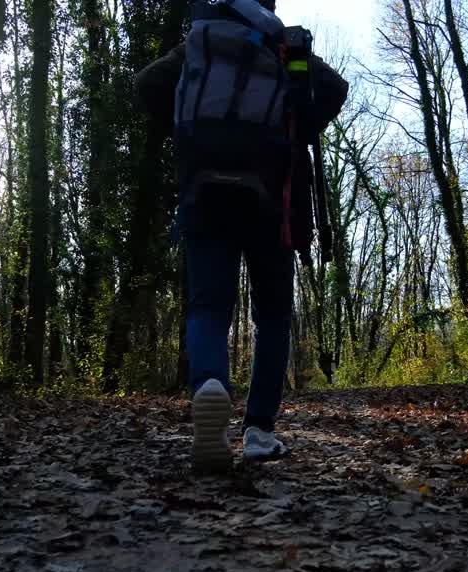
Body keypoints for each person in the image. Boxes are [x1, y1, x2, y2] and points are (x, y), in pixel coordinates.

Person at [135, 0, 348, 474]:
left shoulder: (198, 43)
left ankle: (210, 384)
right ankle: (259, 431)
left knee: (209, 305)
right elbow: (336, 88)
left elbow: (147, 84)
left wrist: (181, 129)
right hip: (272, 198)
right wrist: (302, 121)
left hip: (202, 190)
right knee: (272, 316)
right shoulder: (283, 45)